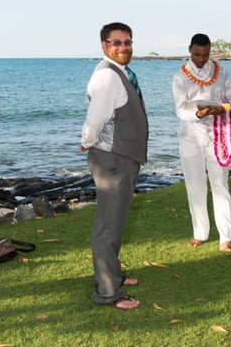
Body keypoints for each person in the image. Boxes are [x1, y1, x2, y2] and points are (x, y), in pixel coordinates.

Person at [80, 22, 148, 311]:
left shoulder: (120, 73)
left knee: (116, 222)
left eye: (128, 42)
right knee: (108, 224)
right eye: (116, 42)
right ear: (104, 45)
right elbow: (96, 118)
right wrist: (87, 140)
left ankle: (113, 275)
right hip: (112, 159)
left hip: (122, 157)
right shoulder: (108, 77)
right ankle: (108, 291)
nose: (123, 47)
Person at [172, 33, 231, 253]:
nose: (201, 59)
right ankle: (200, 233)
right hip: (190, 136)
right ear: (190, 50)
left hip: (218, 135)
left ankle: (227, 238)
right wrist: (199, 114)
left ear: (210, 51)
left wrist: (222, 109)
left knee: (220, 184)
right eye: (197, 54)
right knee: (195, 185)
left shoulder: (222, 73)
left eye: (205, 54)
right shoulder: (180, 77)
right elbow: (181, 109)